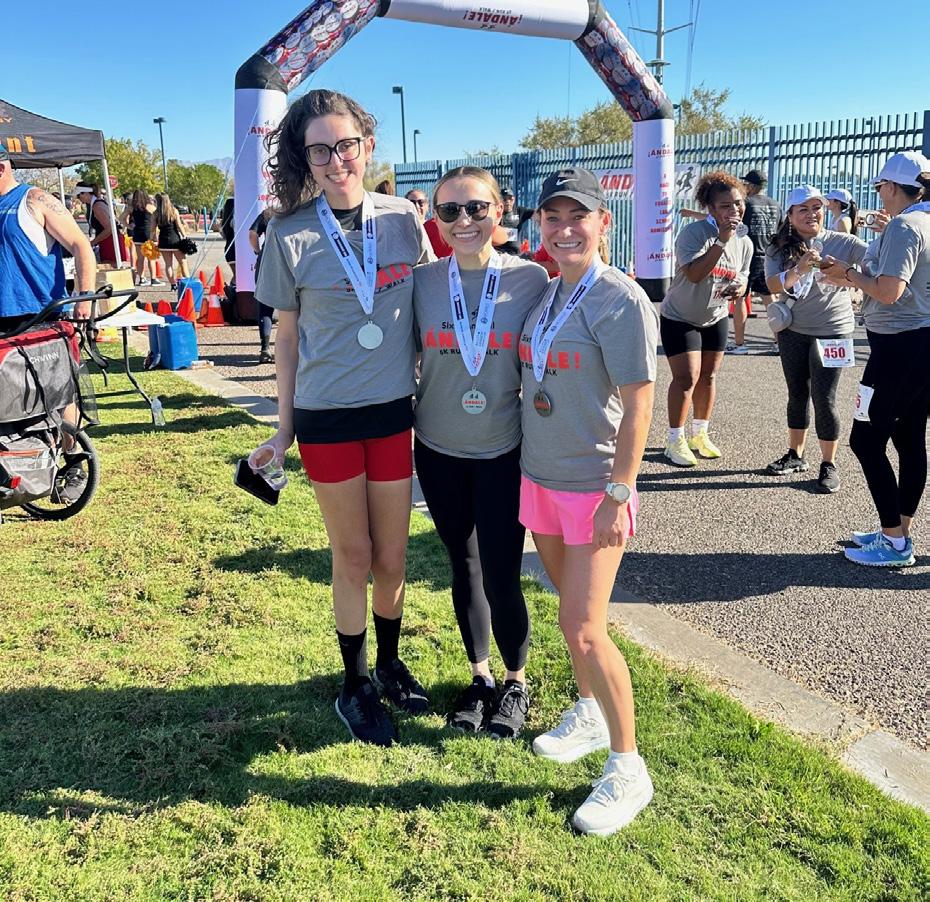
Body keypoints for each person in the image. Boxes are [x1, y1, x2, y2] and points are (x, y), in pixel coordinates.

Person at [255, 89, 434, 746]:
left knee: (393, 555)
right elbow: (285, 339)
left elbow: (431, 305)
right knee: (353, 553)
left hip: (392, 414)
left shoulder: (403, 220)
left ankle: (388, 663)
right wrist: (283, 428)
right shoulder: (289, 234)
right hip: (326, 418)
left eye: (346, 145)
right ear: (304, 158)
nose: (336, 161)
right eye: (320, 150)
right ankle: (354, 682)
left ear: (368, 146)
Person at [517, 167, 658, 836]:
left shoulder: (620, 299)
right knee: (568, 613)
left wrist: (617, 493)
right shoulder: (548, 292)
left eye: (579, 217)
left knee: (584, 627)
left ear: (604, 222)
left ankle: (629, 769)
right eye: (553, 217)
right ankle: (589, 712)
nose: (565, 229)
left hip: (594, 489)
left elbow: (641, 404)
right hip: (540, 480)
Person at [412, 166, 549, 738]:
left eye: (476, 208)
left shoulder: (531, 280)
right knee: (462, 566)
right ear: (436, 219)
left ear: (499, 211)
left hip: (502, 449)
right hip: (437, 448)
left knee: (501, 570)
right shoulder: (421, 282)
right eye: (450, 210)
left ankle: (516, 681)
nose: (463, 220)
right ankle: (480, 677)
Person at [821, 151, 930, 566]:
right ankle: (899, 529)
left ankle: (895, 543)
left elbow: (888, 291)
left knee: (865, 440)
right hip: (919, 343)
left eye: (881, 186)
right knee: (909, 438)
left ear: (894, 186)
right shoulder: (920, 221)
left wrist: (846, 274)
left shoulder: (906, 226)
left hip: (898, 345)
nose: (880, 194)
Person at [0, 147, 95, 500]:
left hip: (40, 315)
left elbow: (81, 245)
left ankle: (73, 461)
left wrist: (84, 297)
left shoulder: (35, 199)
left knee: (59, 393)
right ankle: (15, 466)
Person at [763, 186, 868, 493]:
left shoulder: (844, 242)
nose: (812, 214)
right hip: (793, 329)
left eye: (817, 208)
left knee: (825, 397)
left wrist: (849, 273)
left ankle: (828, 463)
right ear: (790, 215)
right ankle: (795, 454)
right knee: (796, 392)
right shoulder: (778, 246)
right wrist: (799, 269)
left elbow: (876, 261)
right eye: (803, 209)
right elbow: (771, 284)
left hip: (834, 329)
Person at [659, 171, 753, 466]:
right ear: (710, 209)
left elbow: (743, 275)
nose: (734, 210)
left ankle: (700, 433)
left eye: (738, 203)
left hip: (716, 314)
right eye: (725, 206)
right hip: (680, 316)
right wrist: (721, 241)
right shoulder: (693, 234)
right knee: (687, 377)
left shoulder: (745, 241)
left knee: (709, 376)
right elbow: (695, 274)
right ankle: (675, 440)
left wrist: (740, 287)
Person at [729, 169, 783, 354]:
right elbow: (782, 230)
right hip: (769, 256)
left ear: (751, 186)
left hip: (747, 255)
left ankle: (739, 344)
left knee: (740, 298)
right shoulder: (775, 204)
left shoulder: (746, 203)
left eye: (745, 184)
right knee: (770, 299)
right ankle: (778, 342)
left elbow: (734, 225)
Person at [249, 208, 275, 363]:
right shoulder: (300, 211)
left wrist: (258, 251)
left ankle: (265, 349)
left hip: (267, 259)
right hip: (293, 260)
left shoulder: (268, 213)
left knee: (265, 305)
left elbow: (252, 234)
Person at [73, 182, 119, 265]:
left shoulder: (97, 206)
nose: (78, 198)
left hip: (110, 242)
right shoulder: (95, 204)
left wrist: (93, 242)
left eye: (79, 196)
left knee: (111, 267)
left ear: (86, 193)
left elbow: (109, 228)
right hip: (105, 240)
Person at [122, 190, 160, 286]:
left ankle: (142, 279)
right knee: (151, 257)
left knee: (140, 258)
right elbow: (157, 219)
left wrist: (128, 226)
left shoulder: (132, 208)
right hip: (148, 234)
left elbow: (121, 218)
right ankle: (153, 278)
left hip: (137, 233)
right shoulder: (150, 207)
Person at [405, 188, 452, 257]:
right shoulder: (401, 230)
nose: (416, 206)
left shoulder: (436, 227)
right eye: (412, 203)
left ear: (427, 206)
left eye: (421, 202)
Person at [154, 192, 187, 289]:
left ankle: (173, 285)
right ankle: (187, 283)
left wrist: (153, 240)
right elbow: (179, 226)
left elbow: (152, 229)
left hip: (163, 241)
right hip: (175, 240)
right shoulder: (174, 211)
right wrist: (184, 236)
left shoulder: (156, 213)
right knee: (183, 262)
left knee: (168, 264)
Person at [220, 197, 236, 282]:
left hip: (228, 249)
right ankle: (232, 289)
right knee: (239, 276)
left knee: (236, 276)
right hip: (236, 250)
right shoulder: (235, 220)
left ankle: (231, 288)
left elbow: (223, 236)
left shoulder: (223, 222)